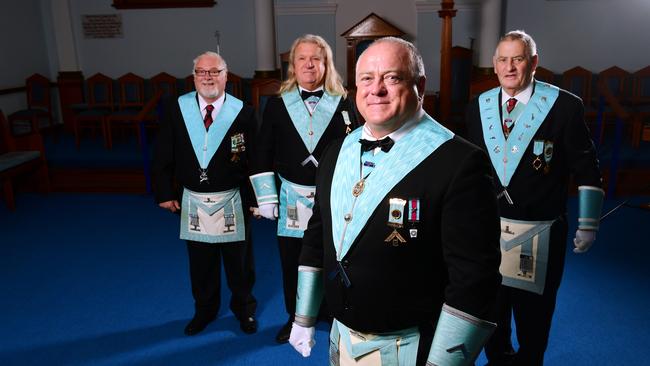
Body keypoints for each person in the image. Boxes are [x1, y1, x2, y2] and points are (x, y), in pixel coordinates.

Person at [287, 37, 502, 365]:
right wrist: (304, 316)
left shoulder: (459, 162)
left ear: (420, 85)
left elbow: (474, 279)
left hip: (413, 346)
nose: (377, 89)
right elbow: (317, 238)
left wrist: (444, 362)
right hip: (342, 338)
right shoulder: (335, 152)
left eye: (392, 77)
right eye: (367, 79)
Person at [464, 30, 604, 366]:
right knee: (491, 314)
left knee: (534, 320)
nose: (509, 67)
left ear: (534, 63)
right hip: (489, 233)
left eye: (518, 58)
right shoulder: (477, 107)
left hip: (540, 232)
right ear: (494, 66)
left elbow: (587, 169)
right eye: (502, 59)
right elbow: (471, 171)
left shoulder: (565, 106)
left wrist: (588, 225)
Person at [249, 34, 358, 344]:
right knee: (292, 262)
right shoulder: (277, 105)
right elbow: (262, 153)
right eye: (302, 58)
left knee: (333, 260)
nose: (310, 64)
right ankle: (294, 316)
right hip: (290, 198)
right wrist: (266, 199)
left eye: (317, 58)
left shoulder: (345, 103)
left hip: (332, 199)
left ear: (326, 64)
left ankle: (329, 311)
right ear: (293, 66)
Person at [152, 51, 258, 336]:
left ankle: (244, 311)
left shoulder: (244, 111)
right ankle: (204, 311)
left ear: (226, 75)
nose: (208, 77)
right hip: (193, 199)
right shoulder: (177, 108)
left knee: (240, 264)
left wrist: (256, 199)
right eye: (201, 72)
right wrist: (163, 191)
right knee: (200, 264)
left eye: (214, 71)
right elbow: (163, 151)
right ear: (194, 76)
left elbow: (256, 159)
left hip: (232, 199)